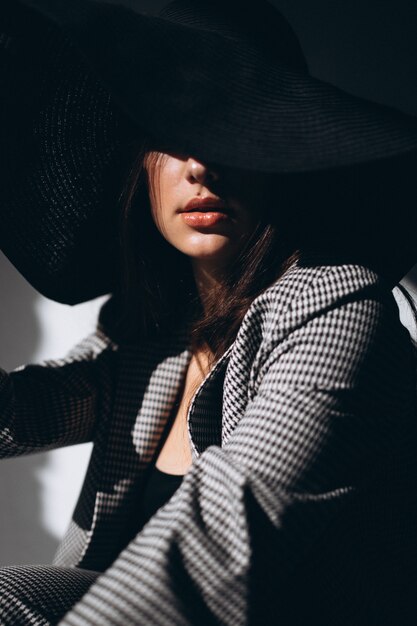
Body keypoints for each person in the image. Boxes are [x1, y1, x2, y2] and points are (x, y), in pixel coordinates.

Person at [1, 1, 417, 625]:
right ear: (139, 166)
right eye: (170, 135)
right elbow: (22, 413)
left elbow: (216, 546)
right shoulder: (147, 329)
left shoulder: (336, 308)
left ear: (284, 156)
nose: (200, 166)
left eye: (230, 132)